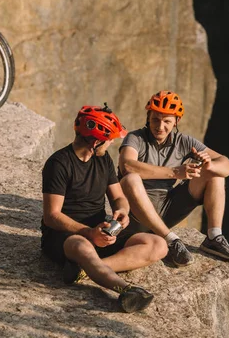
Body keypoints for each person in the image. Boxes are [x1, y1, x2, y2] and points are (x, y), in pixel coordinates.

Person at [41, 103, 167, 313]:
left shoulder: (103, 159)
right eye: (110, 140)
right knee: (83, 247)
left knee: (158, 245)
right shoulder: (59, 164)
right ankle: (126, 290)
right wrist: (89, 233)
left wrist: (122, 211)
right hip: (67, 236)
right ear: (96, 140)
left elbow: (119, 197)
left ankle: (85, 270)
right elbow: (52, 216)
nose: (111, 144)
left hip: (101, 230)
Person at [118, 90, 229, 267]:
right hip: (137, 215)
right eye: (155, 120)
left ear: (177, 121)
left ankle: (214, 236)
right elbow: (127, 165)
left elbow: (228, 166)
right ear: (148, 118)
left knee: (216, 174)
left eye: (167, 121)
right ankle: (170, 240)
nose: (160, 127)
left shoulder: (183, 141)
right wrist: (175, 172)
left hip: (167, 209)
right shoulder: (135, 138)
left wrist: (210, 165)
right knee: (130, 179)